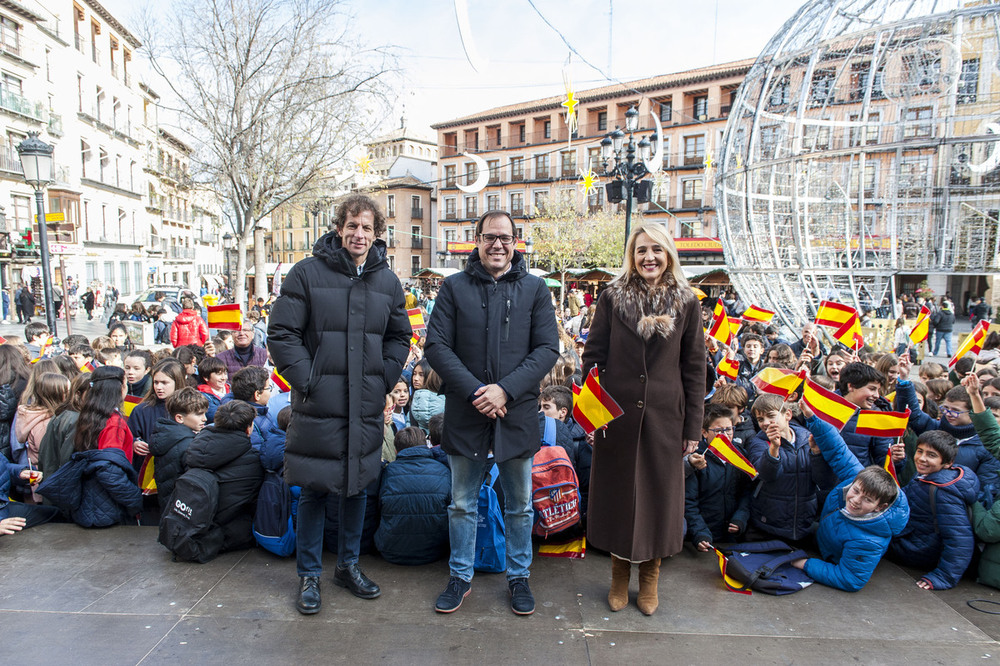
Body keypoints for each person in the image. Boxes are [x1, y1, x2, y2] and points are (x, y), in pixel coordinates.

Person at [268, 193, 411, 615]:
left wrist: (384, 377)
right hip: (319, 405)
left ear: (377, 233)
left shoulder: (387, 281)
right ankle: (309, 575)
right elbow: (281, 333)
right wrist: (308, 380)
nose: (359, 234)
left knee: (357, 487)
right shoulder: (306, 273)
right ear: (338, 228)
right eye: (352, 226)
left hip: (365, 405)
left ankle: (348, 566)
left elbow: (399, 336)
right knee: (313, 490)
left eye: (367, 227)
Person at [425, 209, 558, 616]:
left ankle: (519, 576)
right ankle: (460, 575)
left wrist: (505, 390)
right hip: (467, 412)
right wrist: (477, 392)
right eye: (489, 237)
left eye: (505, 237)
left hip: (515, 412)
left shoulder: (536, 289)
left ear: (515, 242)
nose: (497, 244)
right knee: (462, 503)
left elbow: (547, 350)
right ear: (477, 240)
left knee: (520, 504)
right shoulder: (453, 287)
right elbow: (436, 347)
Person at [579, 222, 705, 616]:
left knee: (659, 500)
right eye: (640, 251)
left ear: (668, 255)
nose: (648, 257)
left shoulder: (687, 302)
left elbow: (695, 367)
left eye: (656, 250)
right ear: (631, 258)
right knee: (618, 496)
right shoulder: (612, 298)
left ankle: (649, 578)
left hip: (667, 419)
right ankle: (619, 574)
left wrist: (693, 428)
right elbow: (593, 357)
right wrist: (593, 413)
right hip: (615, 417)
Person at [791, 402, 909, 591]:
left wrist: (806, 564)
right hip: (824, 537)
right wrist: (812, 418)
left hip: (831, 558)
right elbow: (838, 449)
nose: (855, 500)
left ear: (880, 506)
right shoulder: (859, 477)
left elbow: (850, 580)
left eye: (867, 500)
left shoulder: (869, 542)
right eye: (856, 491)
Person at [890, 429, 979, 590]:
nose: (922, 458)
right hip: (913, 540)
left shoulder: (943, 491)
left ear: (948, 463)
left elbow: (959, 539)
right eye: (919, 451)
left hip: (918, 551)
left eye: (931, 455)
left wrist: (942, 577)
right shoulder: (928, 474)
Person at [182, 399, 264, 552]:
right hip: (225, 534)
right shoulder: (253, 460)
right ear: (248, 429)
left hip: (191, 523)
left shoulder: (196, 446)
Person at [746, 393, 819, 543]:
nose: (765, 423)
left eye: (770, 416)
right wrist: (774, 448)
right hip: (770, 524)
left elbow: (823, 479)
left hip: (804, 523)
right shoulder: (758, 442)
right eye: (760, 419)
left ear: (788, 415)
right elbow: (767, 476)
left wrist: (817, 454)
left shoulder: (808, 438)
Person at [374, 426, 451, 565]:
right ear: (426, 445)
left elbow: (378, 506)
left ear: (396, 450)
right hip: (435, 551)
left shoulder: (388, 472)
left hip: (391, 550)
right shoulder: (442, 470)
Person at [684, 404, 751, 551]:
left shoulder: (739, 454)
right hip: (704, 537)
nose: (725, 435)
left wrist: (740, 518)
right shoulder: (697, 459)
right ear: (704, 432)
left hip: (732, 536)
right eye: (719, 431)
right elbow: (688, 502)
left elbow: (746, 493)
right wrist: (699, 533)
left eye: (729, 429)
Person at [149, 387, 208, 511]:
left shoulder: (166, 435)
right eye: (199, 414)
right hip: (184, 509)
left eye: (204, 413)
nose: (205, 419)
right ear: (180, 418)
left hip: (170, 506)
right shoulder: (188, 445)